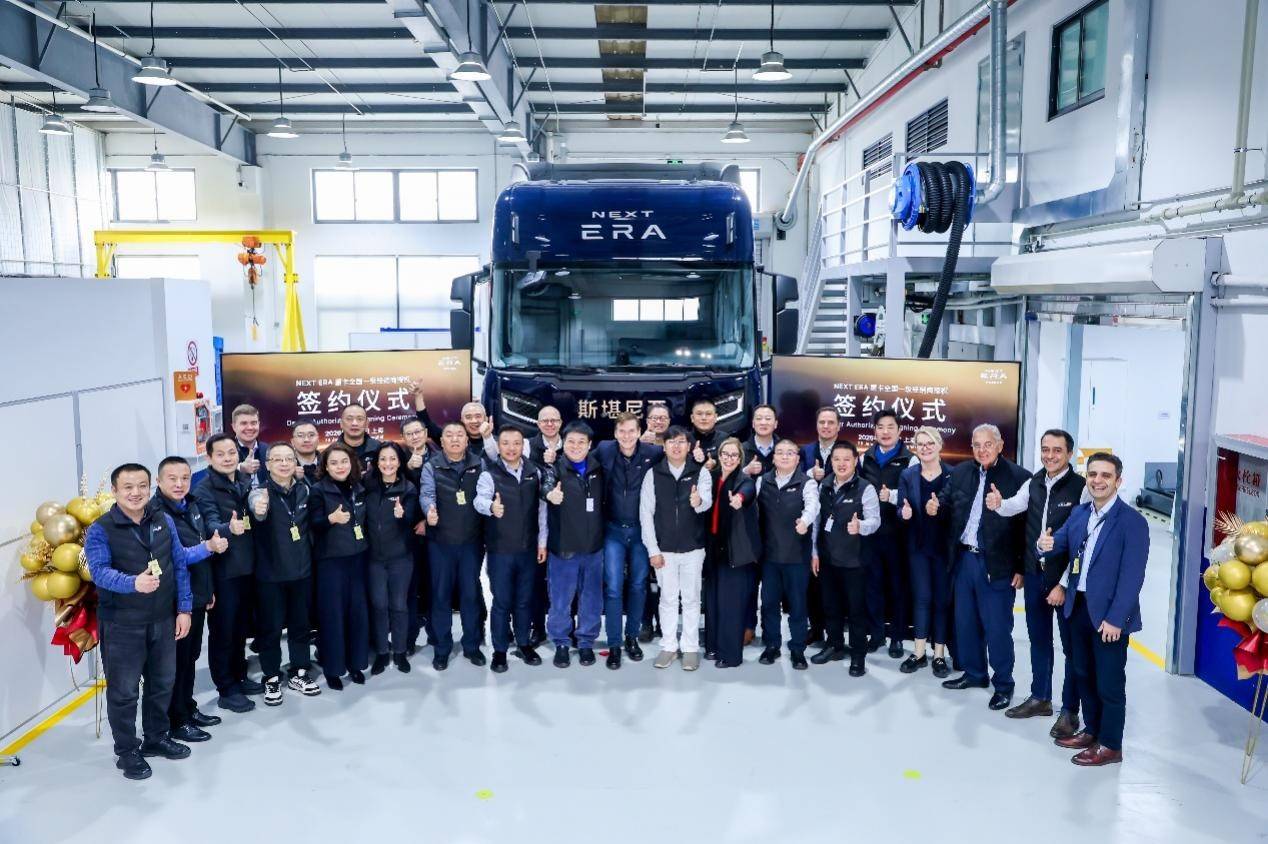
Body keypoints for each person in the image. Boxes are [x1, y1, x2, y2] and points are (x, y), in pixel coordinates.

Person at [84, 462, 226, 780]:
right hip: (122, 624)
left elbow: (178, 564)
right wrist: (132, 583)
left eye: (141, 486)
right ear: (115, 491)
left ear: (150, 487)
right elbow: (99, 572)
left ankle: (156, 738)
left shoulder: (162, 520)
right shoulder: (100, 529)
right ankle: (127, 752)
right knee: (124, 693)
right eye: (128, 487)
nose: (136, 493)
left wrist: (184, 609)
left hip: (162, 619)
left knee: (162, 684)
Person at [1037, 453, 1147, 766]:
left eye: (1105, 476)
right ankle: (1092, 731)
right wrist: (1043, 545)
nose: (1098, 481)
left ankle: (1110, 745)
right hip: (1078, 607)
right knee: (1083, 673)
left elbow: (1132, 577)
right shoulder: (1080, 513)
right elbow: (1058, 544)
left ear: (1118, 481)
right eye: (1093, 474)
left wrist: (1116, 619)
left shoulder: (1132, 522)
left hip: (1109, 615)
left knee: (1108, 682)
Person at [990, 429, 1087, 735]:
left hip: (1064, 581)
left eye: (1057, 450)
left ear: (1069, 453)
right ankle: (1040, 698)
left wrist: (1063, 583)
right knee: (1039, 639)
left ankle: (1070, 711)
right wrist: (998, 504)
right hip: (1035, 575)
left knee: (1071, 648)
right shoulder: (1034, 482)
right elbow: (1013, 506)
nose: (1050, 455)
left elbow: (1083, 542)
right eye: (1045, 449)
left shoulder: (1081, 488)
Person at [936, 423, 1031, 711]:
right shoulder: (961, 472)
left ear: (1000, 445)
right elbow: (946, 503)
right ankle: (975, 673)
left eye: (988, 444)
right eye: (977, 445)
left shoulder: (1019, 477)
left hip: (998, 564)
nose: (982, 449)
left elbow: (1026, 528)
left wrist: (1021, 567)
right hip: (964, 560)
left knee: (997, 628)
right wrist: (935, 507)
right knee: (965, 623)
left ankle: (1003, 684)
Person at [193, 433, 261, 713]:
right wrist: (227, 528)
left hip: (247, 567)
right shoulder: (204, 489)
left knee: (241, 627)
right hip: (224, 571)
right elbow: (209, 524)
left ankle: (240, 675)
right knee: (223, 630)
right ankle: (226, 687)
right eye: (220, 454)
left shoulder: (243, 480)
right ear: (209, 458)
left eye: (232, 452)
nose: (228, 458)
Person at [152, 457, 219, 743]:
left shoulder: (190, 504)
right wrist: (208, 547)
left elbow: (199, 549)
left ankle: (187, 708)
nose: (179, 484)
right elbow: (177, 557)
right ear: (158, 481)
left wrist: (207, 589)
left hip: (196, 594)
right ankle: (177, 720)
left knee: (190, 657)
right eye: (172, 478)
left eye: (185, 478)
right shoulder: (156, 515)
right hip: (175, 602)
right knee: (176, 663)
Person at [250, 443, 321, 703]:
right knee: (270, 629)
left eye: (288, 459)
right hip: (270, 575)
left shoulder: (305, 489)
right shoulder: (259, 492)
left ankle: (299, 672)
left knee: (300, 626)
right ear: (268, 464)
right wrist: (259, 509)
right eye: (277, 459)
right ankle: (271, 677)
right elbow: (256, 509)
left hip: (302, 572)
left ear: (295, 463)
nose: (283, 463)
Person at [474, 426, 548, 672]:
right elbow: (479, 499)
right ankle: (500, 651)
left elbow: (542, 511)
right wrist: (490, 507)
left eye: (516, 443)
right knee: (502, 602)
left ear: (523, 446)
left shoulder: (534, 472)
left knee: (524, 601)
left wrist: (542, 542)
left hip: (528, 549)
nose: (511, 448)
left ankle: (524, 644)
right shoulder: (489, 474)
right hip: (500, 551)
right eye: (505, 443)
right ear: (498, 446)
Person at [640, 426, 713, 670]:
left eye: (681, 442)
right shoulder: (653, 474)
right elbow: (646, 514)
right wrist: (653, 550)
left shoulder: (700, 472)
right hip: (664, 550)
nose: (676, 446)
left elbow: (707, 502)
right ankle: (668, 646)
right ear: (664, 447)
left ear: (689, 446)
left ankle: (690, 648)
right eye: (671, 442)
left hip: (694, 548)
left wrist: (698, 501)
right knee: (668, 599)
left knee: (691, 599)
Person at [594, 412, 663, 668]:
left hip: (641, 532)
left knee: (638, 586)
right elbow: (580, 463)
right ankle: (614, 644)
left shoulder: (653, 453)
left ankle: (632, 638)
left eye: (631, 431)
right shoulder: (604, 450)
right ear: (615, 433)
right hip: (612, 530)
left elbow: (676, 461)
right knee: (613, 587)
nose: (626, 436)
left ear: (639, 432)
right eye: (621, 431)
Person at [811, 442, 880, 676]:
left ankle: (858, 654)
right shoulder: (823, 485)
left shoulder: (866, 488)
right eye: (837, 459)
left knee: (856, 610)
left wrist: (861, 526)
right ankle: (834, 645)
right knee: (831, 606)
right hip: (828, 559)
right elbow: (817, 522)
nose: (841, 464)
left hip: (855, 561)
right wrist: (814, 552)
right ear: (831, 462)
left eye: (846, 459)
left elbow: (875, 521)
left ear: (855, 461)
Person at [420, 422, 486, 670]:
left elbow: (486, 494)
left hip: (471, 542)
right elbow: (427, 493)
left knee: (470, 595)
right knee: (440, 596)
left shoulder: (479, 464)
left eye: (460, 435)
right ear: (442, 441)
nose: (455, 439)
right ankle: (442, 649)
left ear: (467, 440)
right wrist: (429, 510)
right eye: (449, 435)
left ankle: (472, 646)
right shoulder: (431, 466)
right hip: (441, 543)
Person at [308, 443, 371, 690]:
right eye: (333, 463)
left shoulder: (359, 487)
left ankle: (356, 664)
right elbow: (313, 523)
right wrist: (330, 519)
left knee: (357, 615)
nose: (340, 467)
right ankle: (333, 669)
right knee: (332, 616)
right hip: (331, 563)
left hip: (358, 559)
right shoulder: (318, 491)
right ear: (325, 466)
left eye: (344, 461)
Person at [544, 421, 606, 668]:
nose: (576, 446)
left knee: (591, 599)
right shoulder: (555, 468)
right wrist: (550, 494)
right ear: (563, 443)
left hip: (593, 548)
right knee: (560, 599)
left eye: (581, 442)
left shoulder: (599, 468)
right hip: (564, 548)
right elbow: (545, 484)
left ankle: (586, 642)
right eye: (571, 441)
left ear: (590, 445)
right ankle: (561, 642)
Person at [755, 439, 818, 670]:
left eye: (790, 453)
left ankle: (798, 648)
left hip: (796, 557)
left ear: (798, 459)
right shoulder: (763, 481)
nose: (784, 456)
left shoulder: (807, 483)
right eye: (780, 452)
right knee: (769, 604)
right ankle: (772, 645)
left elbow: (813, 506)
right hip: (770, 556)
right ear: (773, 458)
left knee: (798, 605)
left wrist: (805, 521)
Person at [858, 409, 914, 659]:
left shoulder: (910, 460)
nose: (885, 432)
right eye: (880, 427)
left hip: (898, 534)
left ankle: (897, 637)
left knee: (898, 587)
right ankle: (876, 633)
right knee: (872, 585)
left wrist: (891, 496)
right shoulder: (865, 458)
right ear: (874, 431)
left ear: (899, 431)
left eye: (890, 427)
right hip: (870, 534)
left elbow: (914, 495)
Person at [897, 427, 953, 677]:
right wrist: (904, 513)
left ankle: (939, 655)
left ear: (939, 445)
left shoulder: (953, 475)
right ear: (915, 449)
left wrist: (940, 510)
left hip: (944, 549)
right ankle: (918, 653)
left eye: (930, 443)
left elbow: (958, 511)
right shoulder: (907, 475)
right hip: (918, 547)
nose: (925, 448)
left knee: (941, 600)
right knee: (921, 598)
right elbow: (900, 508)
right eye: (920, 444)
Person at [364, 442, 424, 675]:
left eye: (392, 459)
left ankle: (399, 651)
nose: (387, 464)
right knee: (379, 606)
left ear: (400, 462)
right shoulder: (367, 485)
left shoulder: (408, 488)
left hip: (400, 558)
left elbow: (411, 520)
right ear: (376, 463)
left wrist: (402, 515)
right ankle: (382, 651)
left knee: (399, 605)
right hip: (374, 559)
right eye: (383, 459)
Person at [704, 437, 760, 668]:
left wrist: (739, 499)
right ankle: (713, 647)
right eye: (725, 454)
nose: (729, 459)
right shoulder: (711, 477)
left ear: (740, 459)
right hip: (713, 550)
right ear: (719, 456)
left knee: (731, 605)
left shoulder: (744, 481)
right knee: (712, 601)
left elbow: (747, 492)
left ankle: (731, 655)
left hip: (734, 552)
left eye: (734, 455)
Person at [525, 405, 563, 645]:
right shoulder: (527, 446)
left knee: (564, 581)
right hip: (534, 522)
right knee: (535, 581)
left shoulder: (572, 444)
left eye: (554, 420)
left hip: (564, 523)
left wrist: (557, 462)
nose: (549, 424)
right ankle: (537, 627)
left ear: (560, 422)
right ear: (538, 424)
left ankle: (566, 628)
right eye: (545, 420)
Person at [399, 417, 435, 653]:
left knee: (434, 587)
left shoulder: (440, 456)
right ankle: (409, 638)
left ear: (425, 432)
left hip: (435, 531)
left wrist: (427, 522)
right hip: (408, 534)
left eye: (418, 431)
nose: (414, 436)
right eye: (409, 433)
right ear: (403, 437)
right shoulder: (398, 460)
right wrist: (407, 469)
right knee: (409, 589)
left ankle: (435, 634)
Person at [411, 382, 497, 459]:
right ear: (462, 421)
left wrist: (487, 437)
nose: (474, 421)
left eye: (478, 416)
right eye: (468, 417)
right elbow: (426, 424)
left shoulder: (498, 441)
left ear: (486, 419)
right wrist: (418, 396)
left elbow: (497, 459)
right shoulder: (452, 439)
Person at [336, 404, 383, 475]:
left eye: (360, 419)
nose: (354, 423)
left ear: (367, 423)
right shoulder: (331, 452)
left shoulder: (379, 449)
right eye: (349, 419)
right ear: (341, 423)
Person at [799, 406, 842, 481]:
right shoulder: (805, 451)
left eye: (831, 422)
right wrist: (811, 473)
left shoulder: (848, 451)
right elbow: (795, 478)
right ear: (816, 425)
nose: (825, 426)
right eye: (822, 422)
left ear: (838, 426)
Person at [231, 404, 268, 486]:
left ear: (259, 424)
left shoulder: (268, 449)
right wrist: (240, 468)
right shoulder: (226, 451)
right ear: (234, 427)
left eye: (254, 423)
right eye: (244, 423)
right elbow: (216, 473)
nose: (250, 428)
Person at [741, 404, 778, 477]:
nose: (763, 423)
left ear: (775, 424)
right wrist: (746, 471)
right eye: (758, 418)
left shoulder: (784, 450)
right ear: (753, 424)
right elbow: (731, 479)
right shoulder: (741, 449)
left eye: (768, 419)